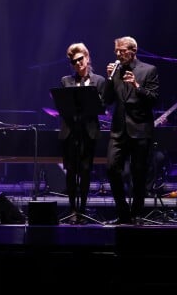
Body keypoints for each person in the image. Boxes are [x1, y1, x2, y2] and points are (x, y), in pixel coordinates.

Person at [103, 36, 159, 225]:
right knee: (111, 168)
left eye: (122, 50)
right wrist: (109, 79)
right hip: (118, 129)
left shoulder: (148, 70)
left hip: (140, 128)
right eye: (116, 51)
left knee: (139, 173)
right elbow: (107, 100)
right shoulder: (116, 71)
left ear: (133, 50)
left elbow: (154, 99)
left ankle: (136, 214)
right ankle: (123, 212)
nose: (118, 54)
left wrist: (137, 86)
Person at [58, 42, 105, 224]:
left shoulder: (99, 81)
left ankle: (83, 210)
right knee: (70, 171)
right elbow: (63, 106)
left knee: (85, 171)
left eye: (80, 59)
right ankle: (72, 210)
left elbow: (102, 106)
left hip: (88, 133)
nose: (77, 64)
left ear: (87, 58)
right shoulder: (66, 81)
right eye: (73, 61)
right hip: (70, 132)